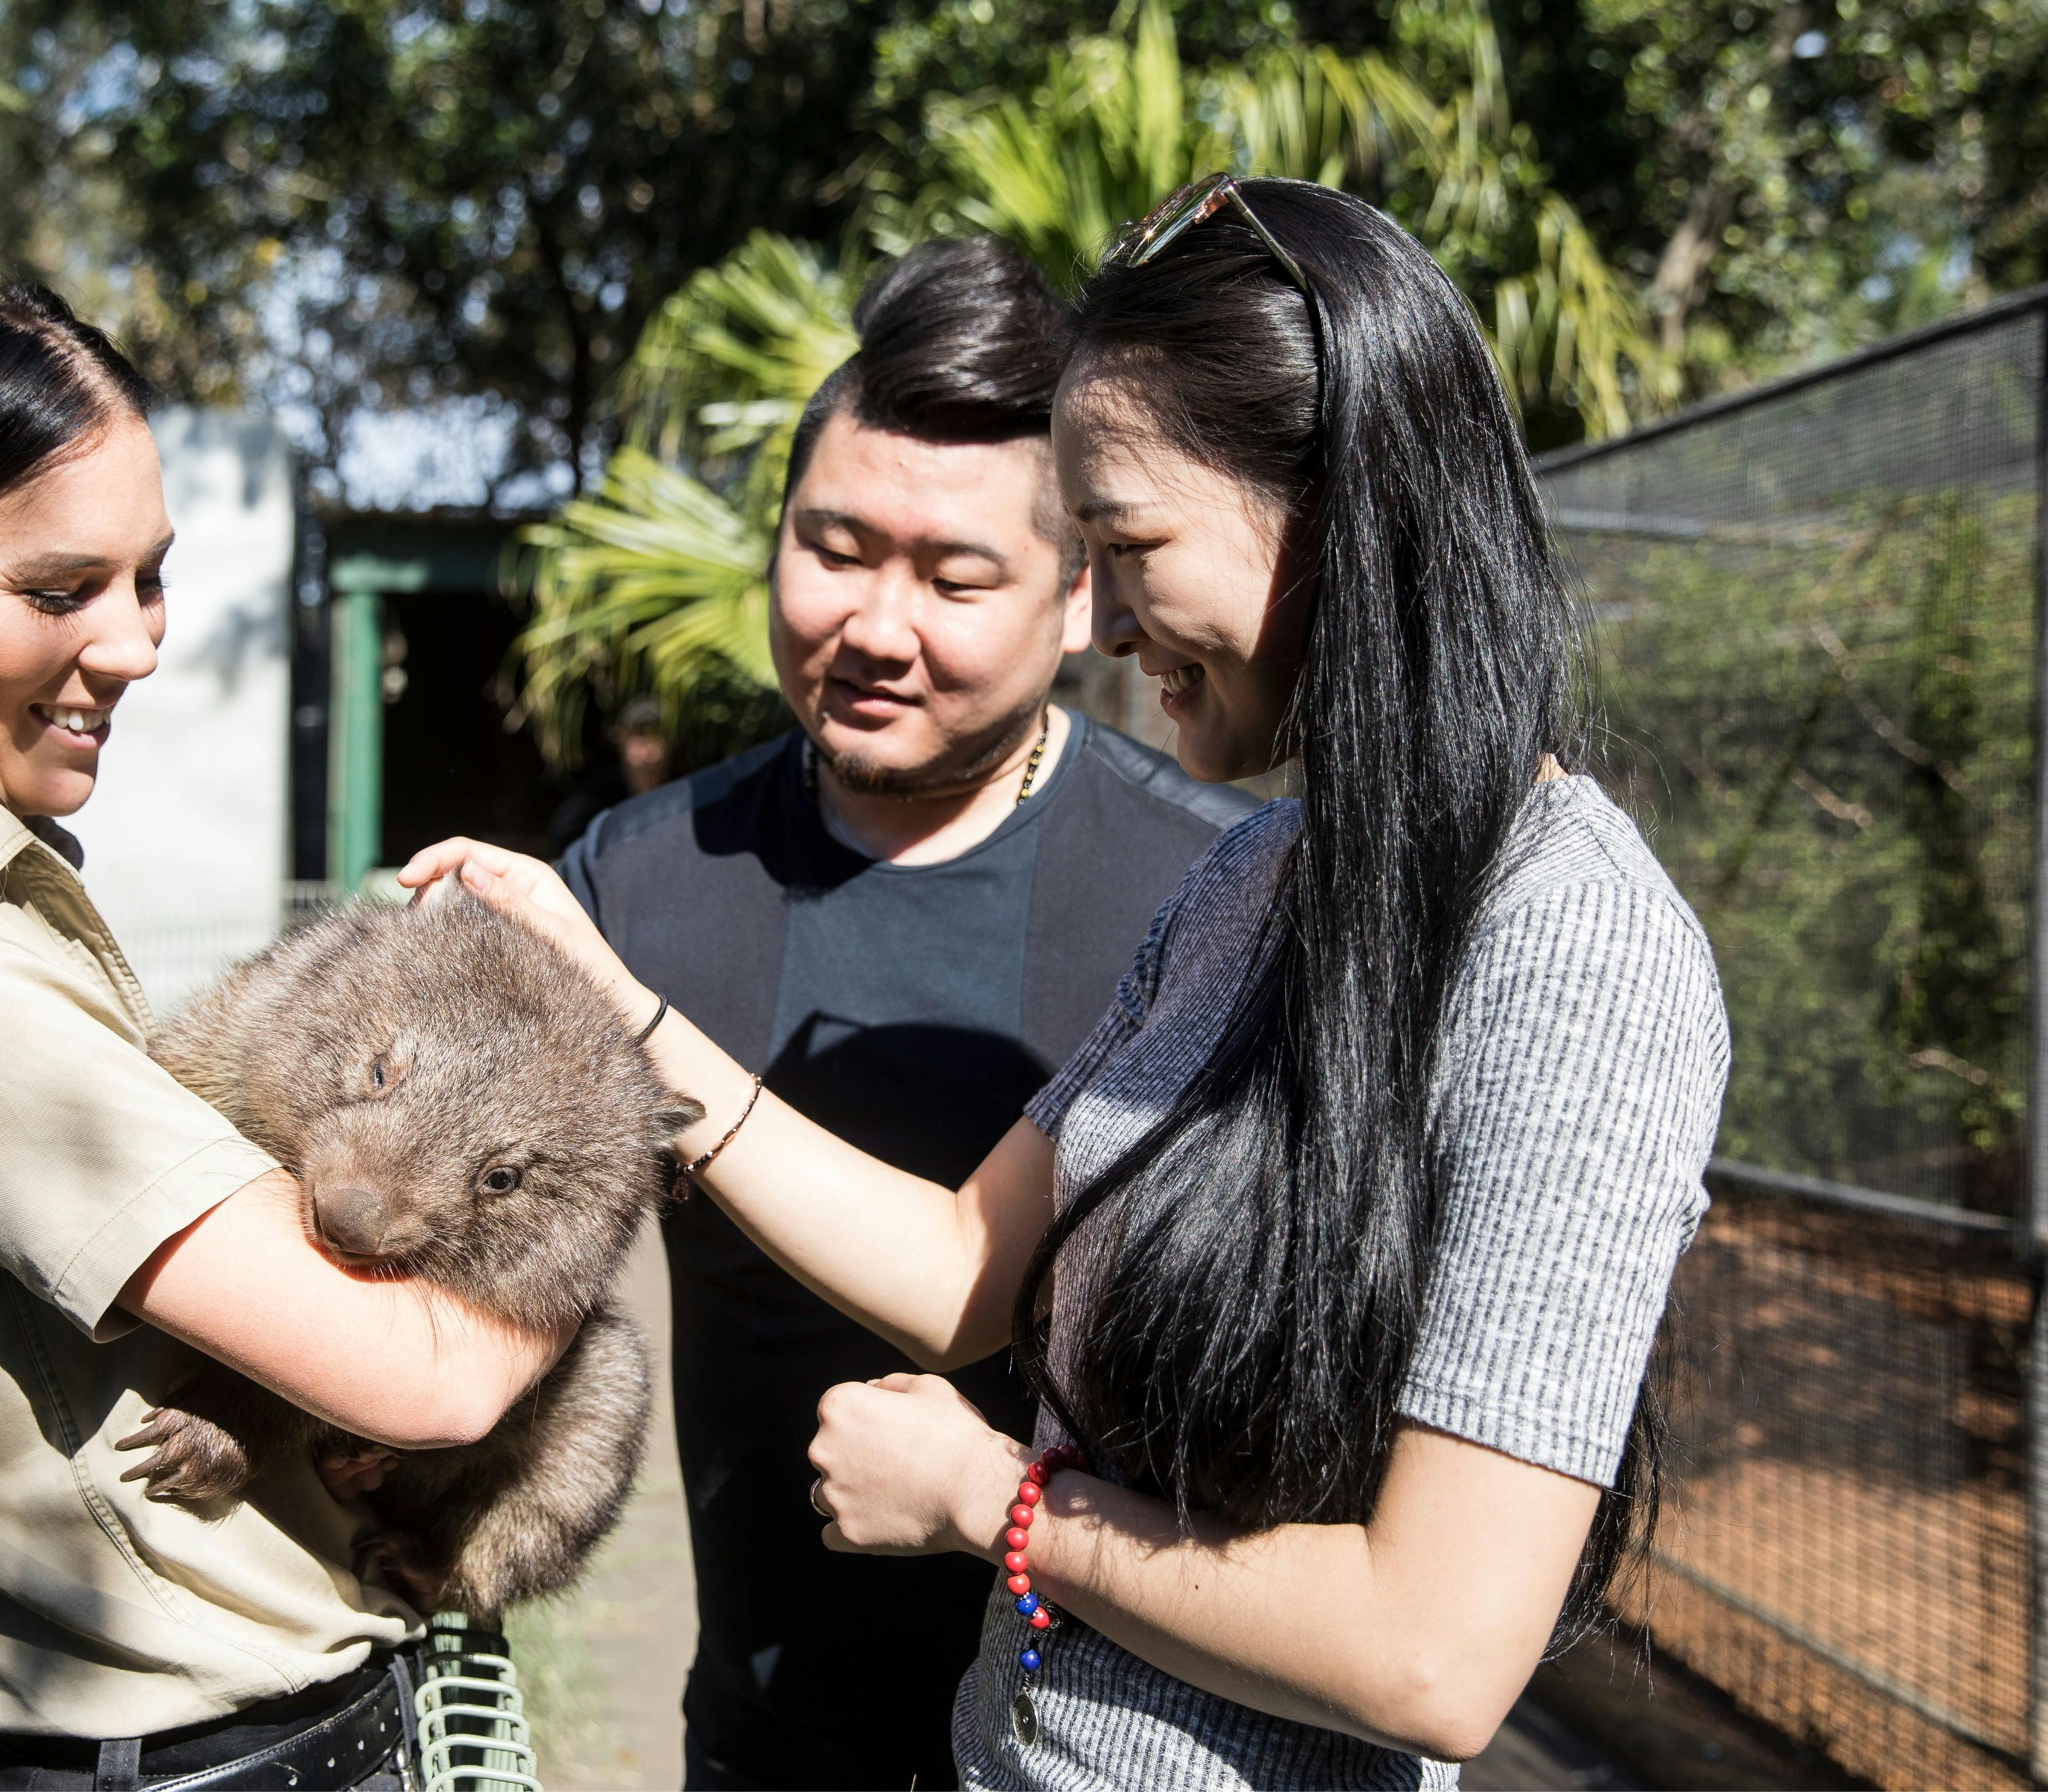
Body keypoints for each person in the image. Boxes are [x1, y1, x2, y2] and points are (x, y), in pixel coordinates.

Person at [406, 176, 1728, 1789]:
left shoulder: (1572, 945)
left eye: (1128, 546)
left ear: (1345, 509)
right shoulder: (1260, 881)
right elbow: (968, 1260)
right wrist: (616, 1001)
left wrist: (997, 1509)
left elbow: (1436, 1656)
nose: (1096, 617)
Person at [0, 276, 566, 1789]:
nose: (139, 645)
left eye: (150, 579)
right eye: (59, 590)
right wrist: (603, 1099)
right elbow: (434, 1380)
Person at [554, 236, 1252, 1790]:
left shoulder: (1207, 902)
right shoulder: (640, 880)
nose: (874, 624)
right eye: (834, 547)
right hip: (757, 1748)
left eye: (953, 578)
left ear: (1084, 598)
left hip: (1100, 1750)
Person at [548, 694, 672, 852]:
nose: (649, 746)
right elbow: (566, 839)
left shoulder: (681, 790)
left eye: (657, 735)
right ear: (621, 737)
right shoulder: (596, 796)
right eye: (640, 735)